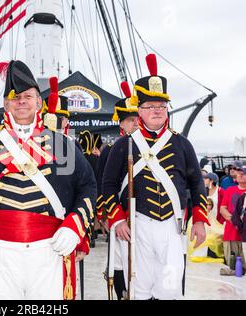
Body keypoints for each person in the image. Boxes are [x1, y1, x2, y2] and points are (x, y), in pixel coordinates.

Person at [0, 60, 96, 300]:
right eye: (15, 97)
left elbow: (88, 188)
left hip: (50, 250)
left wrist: (75, 226)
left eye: (28, 96)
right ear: (5, 104)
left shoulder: (64, 145)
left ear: (39, 102)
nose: (21, 101)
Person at [102, 54, 208, 300]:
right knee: (139, 289)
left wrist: (200, 219)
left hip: (173, 227)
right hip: (137, 225)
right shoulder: (124, 145)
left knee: (170, 289)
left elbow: (196, 182)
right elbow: (108, 185)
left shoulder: (182, 144)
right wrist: (117, 220)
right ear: (139, 110)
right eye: (150, 106)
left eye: (161, 106)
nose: (157, 111)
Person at [96, 81, 138, 300]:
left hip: (143, 213)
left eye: (137, 119)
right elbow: (105, 183)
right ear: (121, 124)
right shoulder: (111, 150)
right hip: (119, 213)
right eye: (131, 120)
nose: (136, 124)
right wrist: (105, 215)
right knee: (119, 260)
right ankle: (122, 293)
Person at [187, 172, 224, 262]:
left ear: (212, 180)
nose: (203, 180)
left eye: (206, 178)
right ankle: (199, 253)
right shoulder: (203, 190)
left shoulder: (221, 191)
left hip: (216, 219)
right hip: (204, 218)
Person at [219, 166, 246, 275]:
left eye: (243, 173)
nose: (239, 175)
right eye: (238, 173)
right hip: (232, 229)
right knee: (234, 262)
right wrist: (235, 222)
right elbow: (222, 209)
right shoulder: (230, 190)